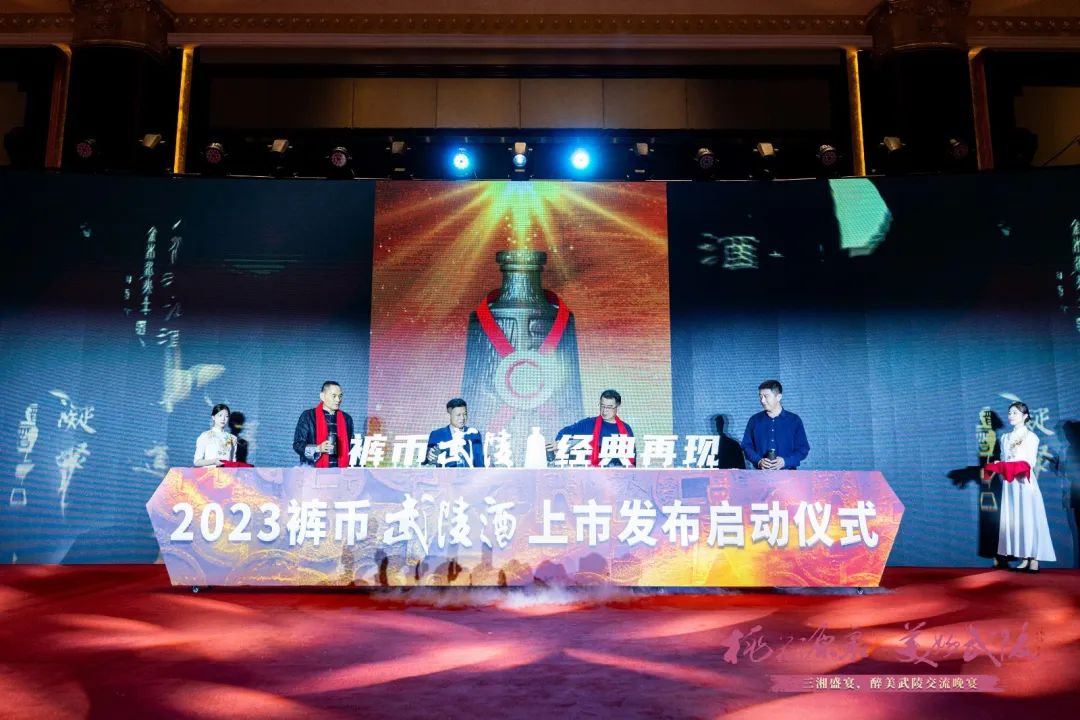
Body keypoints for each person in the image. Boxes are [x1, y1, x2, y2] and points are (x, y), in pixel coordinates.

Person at [992, 401, 1056, 572]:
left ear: (1025, 416)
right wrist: (1000, 465)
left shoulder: (1031, 437)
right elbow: (1004, 459)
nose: (1011, 416)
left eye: (1015, 413)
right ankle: (1024, 556)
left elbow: (1030, 462)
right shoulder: (1004, 438)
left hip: (1024, 482)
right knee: (1016, 520)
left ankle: (1034, 558)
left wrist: (1010, 465)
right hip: (1010, 484)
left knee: (1029, 518)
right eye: (1009, 413)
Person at [550, 389, 635, 467]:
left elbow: (631, 458)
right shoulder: (588, 424)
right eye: (602, 406)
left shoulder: (626, 429)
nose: (604, 410)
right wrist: (560, 442)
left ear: (617, 407)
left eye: (609, 407)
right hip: (589, 474)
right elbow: (565, 432)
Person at [741, 380, 809, 470]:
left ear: (778, 397)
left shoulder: (794, 420)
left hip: (788, 475)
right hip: (761, 475)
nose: (762, 400)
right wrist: (759, 461)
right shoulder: (754, 420)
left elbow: (803, 449)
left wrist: (785, 461)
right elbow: (746, 446)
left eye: (766, 396)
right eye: (760, 396)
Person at [293, 381, 355, 467]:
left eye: (340, 396)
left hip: (341, 472)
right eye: (334, 396)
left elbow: (351, 447)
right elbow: (298, 445)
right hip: (314, 471)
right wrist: (318, 448)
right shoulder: (308, 416)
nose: (338, 400)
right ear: (322, 396)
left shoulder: (347, 419)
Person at [426, 398, 484, 467]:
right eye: (458, 415)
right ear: (449, 415)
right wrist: (430, 457)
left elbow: (479, 462)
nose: (462, 418)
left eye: (465, 414)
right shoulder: (436, 434)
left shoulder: (474, 434)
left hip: (470, 473)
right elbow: (428, 461)